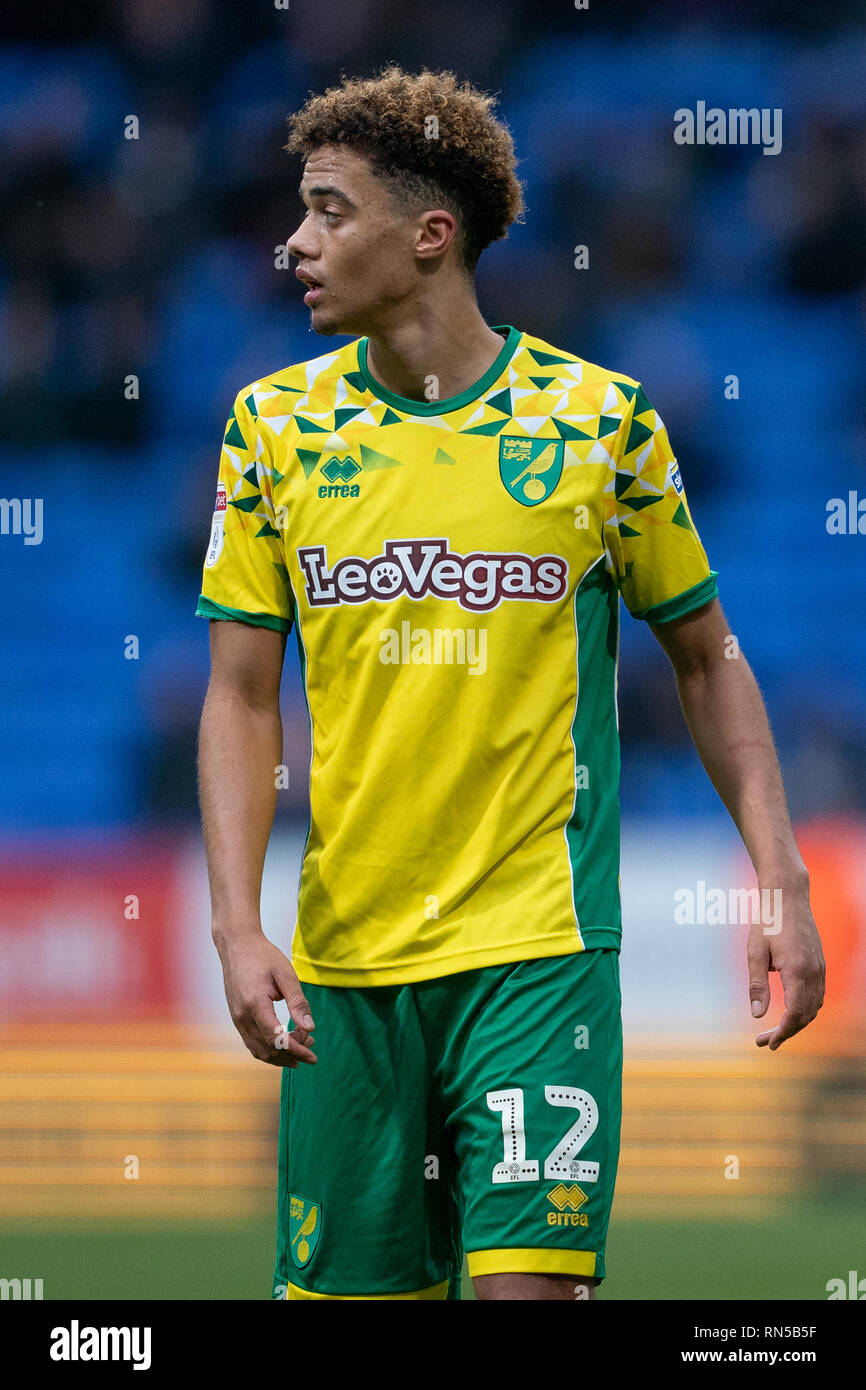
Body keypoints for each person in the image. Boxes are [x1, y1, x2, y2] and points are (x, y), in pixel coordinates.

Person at [196, 65, 825, 1301]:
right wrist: (234, 922)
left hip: (541, 952)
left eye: (328, 211)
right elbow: (237, 695)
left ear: (430, 236)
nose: (294, 243)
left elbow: (706, 657)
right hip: (348, 963)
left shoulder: (598, 424)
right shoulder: (270, 430)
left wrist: (781, 877)